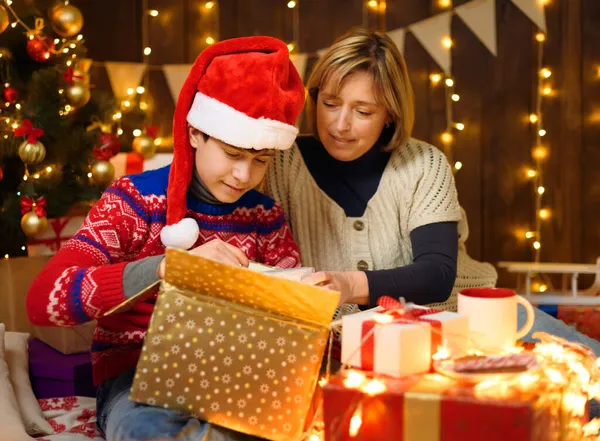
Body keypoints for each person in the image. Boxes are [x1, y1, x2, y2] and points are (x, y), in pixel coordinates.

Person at [26, 36, 305, 441]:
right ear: (195, 133)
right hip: (136, 380)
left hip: (235, 379)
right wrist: (164, 268)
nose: (244, 175)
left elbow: (290, 319)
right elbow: (43, 300)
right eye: (231, 154)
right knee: (150, 432)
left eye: (260, 160)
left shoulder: (264, 216)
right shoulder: (134, 201)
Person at [265, 28, 600, 356]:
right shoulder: (279, 162)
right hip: (351, 344)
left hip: (470, 317)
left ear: (389, 115)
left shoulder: (424, 164)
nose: (340, 124)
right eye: (330, 103)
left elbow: (436, 276)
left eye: (363, 111)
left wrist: (347, 285)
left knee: (589, 371)